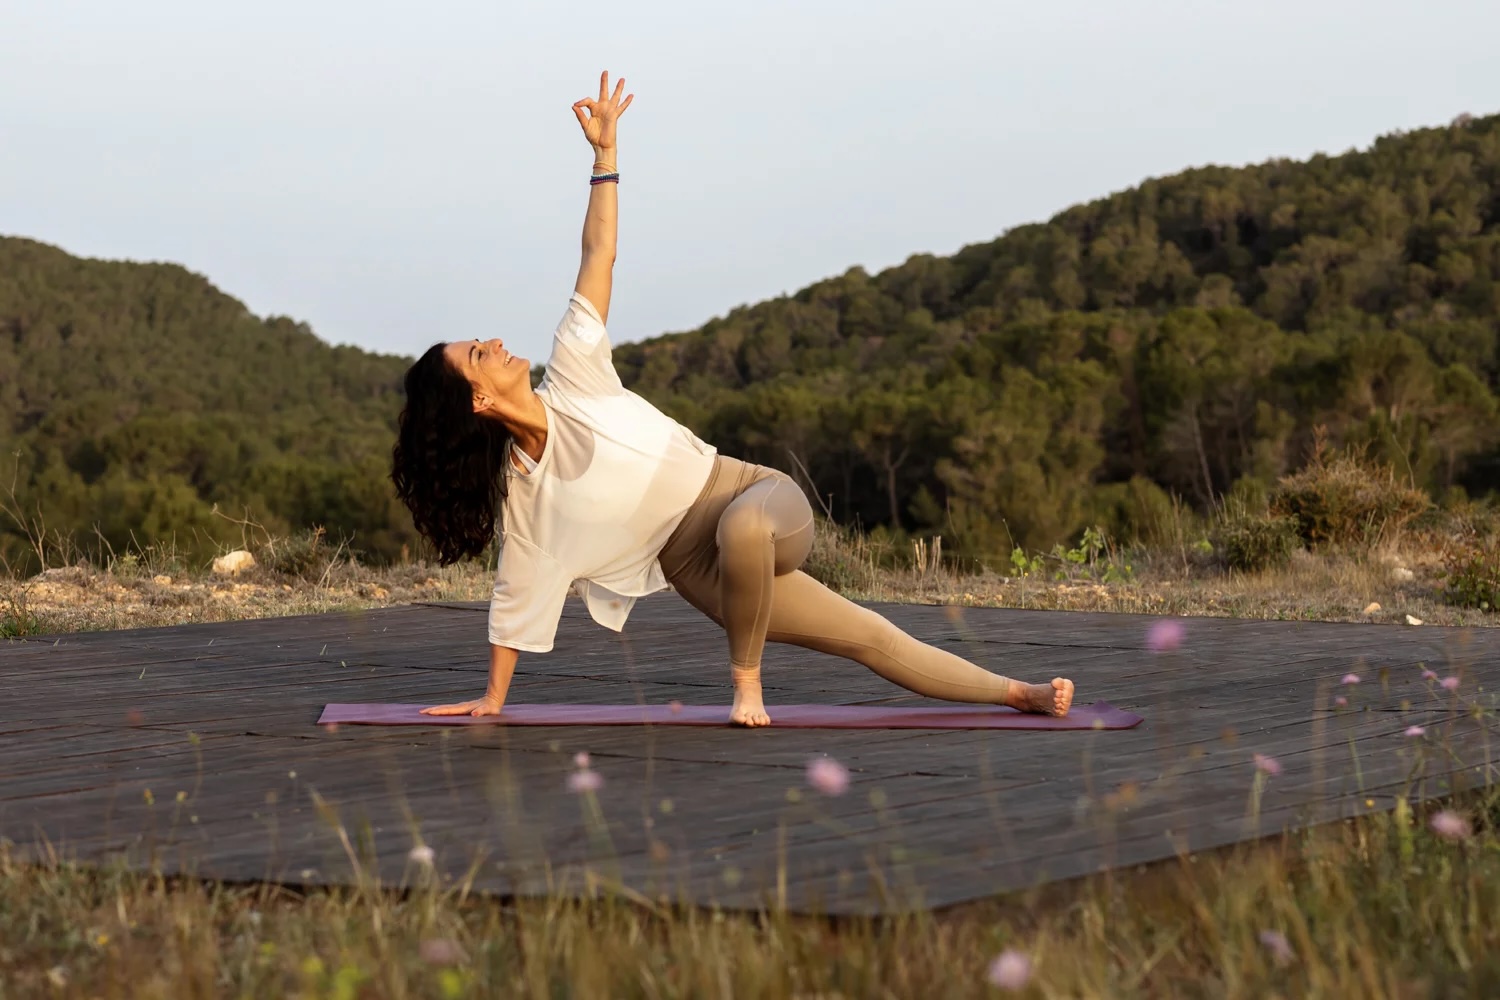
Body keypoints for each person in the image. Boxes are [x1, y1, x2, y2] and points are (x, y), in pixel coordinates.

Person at [390, 71, 1075, 726]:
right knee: (870, 636)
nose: (495, 342)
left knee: (743, 527)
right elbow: (515, 599)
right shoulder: (528, 500)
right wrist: (493, 698)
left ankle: (746, 682)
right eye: (479, 354)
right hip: (698, 568)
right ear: (476, 402)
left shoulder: (574, 372)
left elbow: (598, 254)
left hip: (751, 495)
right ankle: (1022, 694)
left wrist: (605, 158)